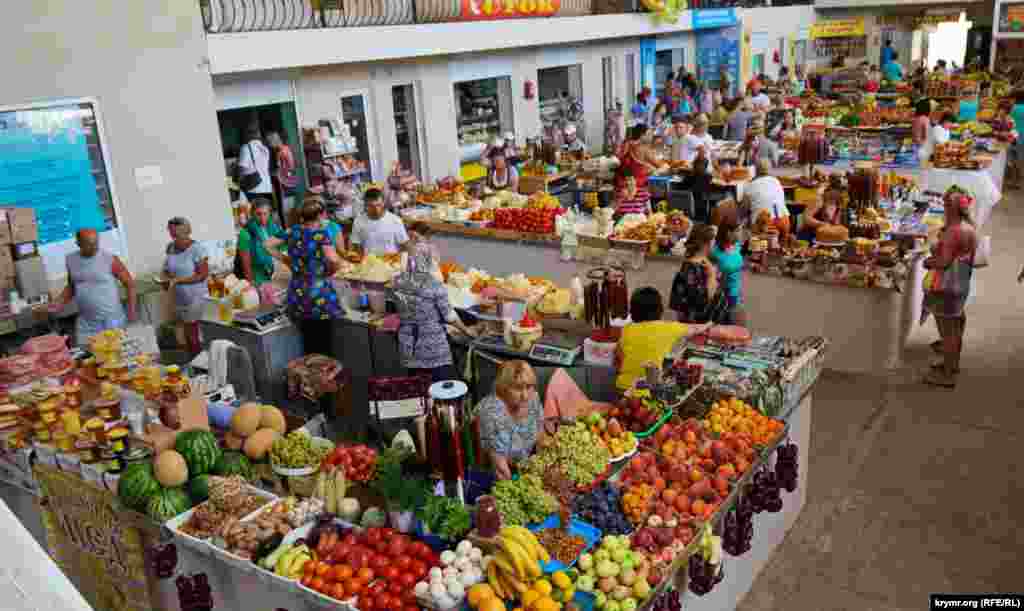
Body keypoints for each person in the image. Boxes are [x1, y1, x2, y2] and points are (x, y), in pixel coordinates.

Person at [390, 247, 473, 382]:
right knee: (440, 388)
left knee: (417, 386)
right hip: (432, 347)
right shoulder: (434, 285)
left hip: (409, 345)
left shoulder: (397, 281)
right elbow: (449, 316)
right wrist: (466, 330)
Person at [923, 187, 977, 388]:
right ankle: (951, 365)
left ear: (950, 208)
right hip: (961, 284)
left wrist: (928, 262)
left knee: (947, 333)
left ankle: (947, 376)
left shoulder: (953, 232)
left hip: (945, 286)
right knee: (956, 326)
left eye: (945, 204)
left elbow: (944, 262)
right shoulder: (969, 227)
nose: (943, 207)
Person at [53, 228, 136, 346]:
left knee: (116, 353)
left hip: (112, 320)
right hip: (87, 323)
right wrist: (59, 302)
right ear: (78, 243)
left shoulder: (109, 259)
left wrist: (131, 313)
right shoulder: (71, 260)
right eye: (89, 244)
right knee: (88, 355)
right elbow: (72, 286)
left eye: (95, 243)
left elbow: (130, 284)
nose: (94, 247)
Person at [617, 287, 705, 391]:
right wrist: (711, 324)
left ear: (633, 310)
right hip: (647, 392)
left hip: (622, 386)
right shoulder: (668, 328)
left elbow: (619, 357)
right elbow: (697, 329)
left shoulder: (627, 329)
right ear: (659, 309)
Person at [285, 201, 343, 358]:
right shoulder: (321, 234)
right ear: (320, 216)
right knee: (323, 343)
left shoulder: (293, 231)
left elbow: (268, 244)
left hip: (298, 293)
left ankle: (310, 371)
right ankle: (324, 372)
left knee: (308, 341)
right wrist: (333, 271)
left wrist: (287, 261)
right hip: (318, 295)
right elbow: (333, 259)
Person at [477, 360, 545, 480]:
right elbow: (500, 464)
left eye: (529, 387)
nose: (525, 396)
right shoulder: (491, 413)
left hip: (527, 464)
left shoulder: (533, 398)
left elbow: (540, 433)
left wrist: (541, 464)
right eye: (518, 388)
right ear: (504, 388)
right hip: (498, 470)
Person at [162, 217, 209, 354]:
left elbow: (202, 275)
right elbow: (168, 268)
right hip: (180, 299)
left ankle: (199, 361)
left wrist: (179, 281)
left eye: (176, 234)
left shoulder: (197, 249)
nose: (173, 237)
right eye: (171, 233)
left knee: (194, 336)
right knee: (187, 336)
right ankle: (193, 360)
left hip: (196, 298)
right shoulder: (170, 247)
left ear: (187, 232)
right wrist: (166, 279)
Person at [669, 225, 724, 325]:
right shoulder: (693, 269)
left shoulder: (702, 262)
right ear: (705, 244)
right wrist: (711, 276)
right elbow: (705, 300)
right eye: (713, 240)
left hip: (705, 322)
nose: (715, 243)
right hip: (702, 325)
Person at [238, 198, 286, 287]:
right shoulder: (245, 234)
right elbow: (246, 268)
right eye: (258, 214)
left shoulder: (274, 227)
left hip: (276, 274)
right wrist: (252, 285)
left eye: (265, 213)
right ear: (252, 214)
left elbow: (284, 248)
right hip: (258, 279)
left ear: (269, 213)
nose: (262, 218)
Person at [351, 188, 410, 256]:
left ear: (383, 203)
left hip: (391, 260)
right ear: (365, 206)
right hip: (369, 261)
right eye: (371, 206)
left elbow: (404, 245)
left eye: (378, 205)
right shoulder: (358, 221)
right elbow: (356, 245)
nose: (376, 209)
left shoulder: (395, 220)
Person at [710, 218, 745, 326]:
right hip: (723, 297)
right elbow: (712, 277)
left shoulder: (737, 246)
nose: (740, 233)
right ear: (728, 232)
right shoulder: (715, 252)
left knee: (738, 328)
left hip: (737, 295)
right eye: (738, 230)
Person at [743, 159, 788, 228]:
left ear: (756, 170)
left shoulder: (750, 185)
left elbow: (745, 209)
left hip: (763, 223)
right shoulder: (777, 181)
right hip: (784, 221)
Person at [237, 126, 273, 202]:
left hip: (253, 188)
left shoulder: (246, 148)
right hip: (267, 186)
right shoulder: (265, 148)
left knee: (253, 209)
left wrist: (239, 183)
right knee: (266, 207)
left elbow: (241, 169)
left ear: (248, 135)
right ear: (259, 135)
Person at [267, 131, 299, 215]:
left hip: (286, 184)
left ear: (274, 142)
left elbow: (289, 168)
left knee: (288, 210)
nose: (270, 145)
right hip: (287, 183)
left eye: (270, 143)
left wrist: (277, 174)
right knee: (289, 209)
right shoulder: (283, 150)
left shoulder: (283, 151)